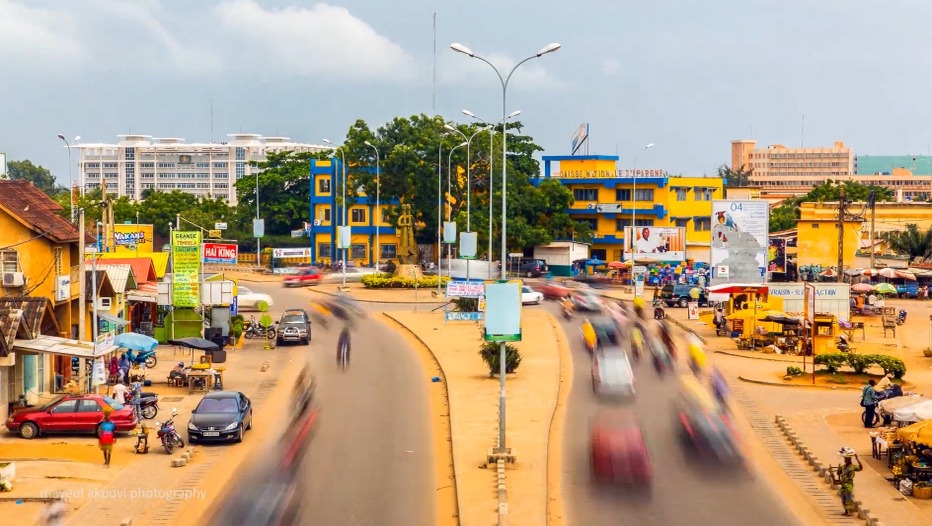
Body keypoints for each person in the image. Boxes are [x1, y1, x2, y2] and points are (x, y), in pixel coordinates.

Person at [834, 448, 863, 516]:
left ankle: (849, 512)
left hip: (849, 484)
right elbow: (838, 473)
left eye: (846, 459)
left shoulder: (853, 467)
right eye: (845, 459)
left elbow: (861, 468)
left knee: (848, 498)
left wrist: (857, 459)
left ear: (849, 460)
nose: (845, 460)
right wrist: (838, 471)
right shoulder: (843, 467)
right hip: (843, 484)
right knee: (843, 498)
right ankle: (846, 511)